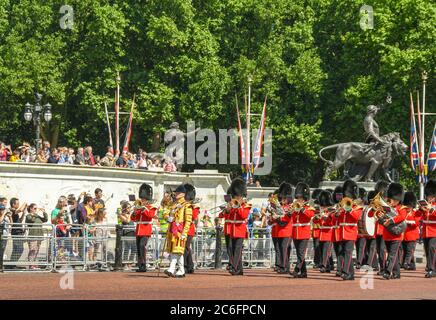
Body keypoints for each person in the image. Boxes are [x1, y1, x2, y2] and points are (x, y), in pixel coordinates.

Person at [222, 178, 251, 276]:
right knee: (232, 249)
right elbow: (226, 216)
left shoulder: (246, 205)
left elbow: (243, 216)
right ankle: (239, 269)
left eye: (238, 196)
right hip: (232, 230)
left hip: (240, 230)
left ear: (242, 196)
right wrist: (227, 209)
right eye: (235, 196)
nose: (236, 198)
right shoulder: (232, 204)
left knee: (237, 250)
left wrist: (238, 206)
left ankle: (234, 268)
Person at [335, 180, 363, 280]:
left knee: (348, 252)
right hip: (342, 232)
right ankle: (351, 274)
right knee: (345, 253)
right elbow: (338, 219)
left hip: (350, 232)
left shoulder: (357, 207)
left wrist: (349, 209)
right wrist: (337, 214)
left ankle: (345, 272)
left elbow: (356, 217)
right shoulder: (342, 205)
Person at [164, 184, 193, 278]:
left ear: (183, 194)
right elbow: (166, 213)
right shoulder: (173, 204)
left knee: (177, 250)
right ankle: (181, 270)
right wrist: (168, 217)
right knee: (176, 251)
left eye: (178, 192)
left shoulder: (187, 205)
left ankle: (171, 268)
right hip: (172, 230)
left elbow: (188, 221)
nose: (176, 193)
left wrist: (185, 233)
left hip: (180, 231)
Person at [380, 183, 407, 280]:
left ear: (398, 199)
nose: (392, 201)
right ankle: (397, 273)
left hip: (396, 236)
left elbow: (402, 217)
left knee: (392, 255)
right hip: (387, 234)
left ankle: (387, 272)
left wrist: (390, 221)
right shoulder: (386, 208)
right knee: (392, 254)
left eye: (394, 199)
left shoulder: (402, 208)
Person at [131, 183, 157, 272]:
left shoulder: (151, 208)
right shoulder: (139, 207)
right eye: (141, 199)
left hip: (146, 229)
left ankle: (144, 265)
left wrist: (144, 208)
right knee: (138, 247)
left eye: (143, 199)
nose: (142, 200)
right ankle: (140, 266)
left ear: (147, 199)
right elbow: (133, 219)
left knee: (142, 246)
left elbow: (150, 215)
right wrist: (134, 212)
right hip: (138, 229)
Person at [290, 182, 315, 278]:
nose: (298, 200)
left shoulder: (309, 208)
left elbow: (310, 216)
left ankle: (296, 270)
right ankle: (304, 272)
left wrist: (302, 209)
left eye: (300, 198)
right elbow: (291, 217)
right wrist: (291, 211)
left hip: (304, 233)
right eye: (298, 198)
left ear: (304, 199)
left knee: (301, 253)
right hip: (295, 233)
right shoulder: (295, 207)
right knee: (299, 253)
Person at [270, 183, 293, 274]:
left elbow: (287, 219)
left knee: (284, 249)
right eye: (282, 198)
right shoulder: (279, 207)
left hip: (287, 231)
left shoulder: (289, 208)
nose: (282, 200)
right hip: (279, 231)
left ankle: (284, 267)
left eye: (284, 199)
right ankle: (283, 266)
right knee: (281, 249)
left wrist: (278, 217)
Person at [417, 179, 436, 278]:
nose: (429, 198)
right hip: (425, 231)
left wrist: (431, 209)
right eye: (428, 196)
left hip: (434, 231)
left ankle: (432, 269)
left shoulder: (434, 206)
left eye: (431, 196)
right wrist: (421, 210)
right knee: (427, 249)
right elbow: (418, 216)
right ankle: (430, 268)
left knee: (432, 248)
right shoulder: (426, 205)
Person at [25, 204, 48, 269]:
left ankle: (33, 263)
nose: (36, 210)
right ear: (31, 209)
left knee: (37, 250)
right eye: (35, 208)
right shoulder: (28, 216)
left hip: (39, 235)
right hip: (32, 235)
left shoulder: (37, 216)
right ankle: (31, 264)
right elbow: (31, 220)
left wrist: (44, 212)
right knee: (32, 250)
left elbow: (45, 220)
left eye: (36, 208)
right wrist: (36, 213)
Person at [401, 191, 419, 271]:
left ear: (412, 205)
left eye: (409, 206)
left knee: (409, 251)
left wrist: (409, 223)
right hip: (404, 235)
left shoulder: (415, 213)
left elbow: (416, 222)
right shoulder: (403, 212)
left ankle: (406, 263)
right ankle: (412, 265)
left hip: (412, 235)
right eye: (406, 206)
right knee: (406, 250)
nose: (407, 207)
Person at [317, 190, 335, 273]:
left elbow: (333, 222)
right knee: (322, 251)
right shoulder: (321, 210)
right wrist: (316, 219)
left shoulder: (332, 211)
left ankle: (323, 266)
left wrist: (327, 218)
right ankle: (328, 265)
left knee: (326, 251)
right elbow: (317, 221)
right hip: (321, 233)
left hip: (328, 232)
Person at [183, 184, 199, 274]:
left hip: (189, 229)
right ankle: (190, 266)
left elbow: (193, 217)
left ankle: (185, 265)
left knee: (185, 247)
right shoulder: (182, 205)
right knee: (186, 247)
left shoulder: (194, 207)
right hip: (182, 228)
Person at [8, 198, 27, 268]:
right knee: (19, 249)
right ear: (13, 204)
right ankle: (11, 264)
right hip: (16, 232)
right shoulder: (11, 210)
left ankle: (12, 264)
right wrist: (24, 203)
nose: (19, 205)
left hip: (19, 232)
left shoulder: (15, 212)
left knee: (17, 249)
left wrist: (24, 213)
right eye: (17, 203)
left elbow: (20, 220)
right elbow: (20, 210)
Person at [118, 201, 136, 270]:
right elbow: (127, 221)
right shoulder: (121, 214)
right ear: (124, 208)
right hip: (126, 233)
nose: (129, 209)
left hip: (133, 232)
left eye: (129, 207)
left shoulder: (130, 214)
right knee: (127, 249)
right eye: (128, 208)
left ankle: (130, 263)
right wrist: (129, 214)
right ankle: (125, 263)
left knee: (134, 249)